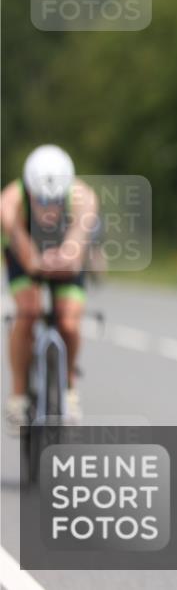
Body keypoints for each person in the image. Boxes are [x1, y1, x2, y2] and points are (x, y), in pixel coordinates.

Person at [2, 145, 98, 431]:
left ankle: (68, 387)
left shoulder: (85, 198)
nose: (49, 209)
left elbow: (75, 248)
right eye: (41, 200)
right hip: (25, 255)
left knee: (69, 322)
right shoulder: (10, 202)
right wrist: (36, 262)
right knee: (28, 311)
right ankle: (18, 396)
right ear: (29, 191)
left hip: (63, 256)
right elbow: (27, 257)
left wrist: (65, 256)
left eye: (56, 201)